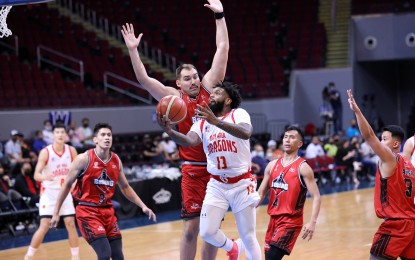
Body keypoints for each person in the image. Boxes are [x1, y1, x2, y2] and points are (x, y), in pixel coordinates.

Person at [121, 0, 229, 258]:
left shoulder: (209, 87)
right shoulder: (173, 98)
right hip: (192, 170)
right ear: (178, 82)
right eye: (188, 78)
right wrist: (134, 50)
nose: (193, 81)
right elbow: (144, 80)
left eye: (195, 76)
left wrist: (220, 16)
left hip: (216, 169)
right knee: (191, 229)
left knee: (211, 229)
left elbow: (222, 47)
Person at [157, 81, 261, 260]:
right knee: (207, 232)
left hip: (241, 183)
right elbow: (189, 140)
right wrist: (169, 131)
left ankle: (241, 245)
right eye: (211, 93)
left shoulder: (238, 114)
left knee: (249, 237)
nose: (211, 95)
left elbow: (246, 132)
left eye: (217, 93)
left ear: (227, 100)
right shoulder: (203, 122)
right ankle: (233, 247)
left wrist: (216, 122)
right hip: (217, 185)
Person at [50, 123, 157, 260]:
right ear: (95, 139)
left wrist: (143, 206)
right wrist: (55, 212)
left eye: (109, 135)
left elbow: (125, 187)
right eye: (103, 135)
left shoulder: (116, 160)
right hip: (88, 212)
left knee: (119, 257)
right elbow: (66, 186)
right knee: (105, 254)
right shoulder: (83, 159)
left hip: (108, 212)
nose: (107, 138)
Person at [347, 89, 415, 260]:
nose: (381, 141)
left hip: (396, 225)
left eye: (385, 139)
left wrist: (357, 111)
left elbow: (369, 136)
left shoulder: (390, 159)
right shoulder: (409, 166)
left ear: (395, 144)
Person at [257, 126, 321, 260]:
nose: (287, 140)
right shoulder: (272, 165)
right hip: (273, 220)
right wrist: (246, 210)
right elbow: (261, 193)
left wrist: (312, 222)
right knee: (268, 257)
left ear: (300, 144)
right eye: (286, 136)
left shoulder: (303, 168)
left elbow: (316, 197)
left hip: (290, 222)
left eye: (292, 137)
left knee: (271, 258)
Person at [24, 123, 79, 260]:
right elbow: (36, 175)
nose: (60, 134)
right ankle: (28, 256)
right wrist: (45, 177)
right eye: (57, 132)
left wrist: (75, 181)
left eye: (62, 132)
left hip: (64, 194)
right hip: (49, 193)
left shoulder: (71, 150)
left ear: (66, 135)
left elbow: (78, 170)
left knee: (71, 223)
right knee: (44, 226)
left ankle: (75, 257)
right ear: (53, 135)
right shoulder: (45, 152)